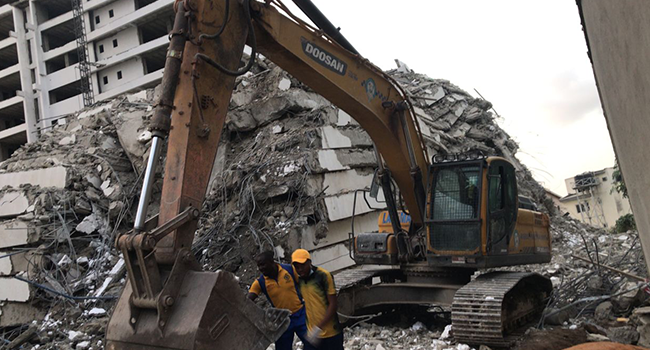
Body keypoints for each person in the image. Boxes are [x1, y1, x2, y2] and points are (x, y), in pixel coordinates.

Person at [248, 251, 308, 350]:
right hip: (282, 320)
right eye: (259, 266)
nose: (261, 268)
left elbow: (304, 284)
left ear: (272, 262)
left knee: (313, 344)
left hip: (300, 314)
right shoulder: (260, 283)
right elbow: (248, 300)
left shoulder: (289, 270)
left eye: (263, 264)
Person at [291, 249, 343, 350]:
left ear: (309, 263)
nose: (300, 269)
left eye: (302, 265)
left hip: (331, 332)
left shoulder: (323, 276)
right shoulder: (299, 279)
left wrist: (319, 327)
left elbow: (333, 304)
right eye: (297, 267)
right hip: (313, 334)